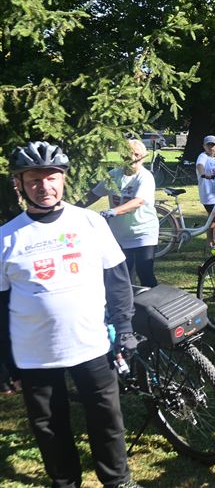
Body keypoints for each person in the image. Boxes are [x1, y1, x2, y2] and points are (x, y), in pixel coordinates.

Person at [0, 141, 141, 488]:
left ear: (63, 179)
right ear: (19, 184)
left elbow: (118, 281)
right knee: (49, 426)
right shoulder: (6, 238)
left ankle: (118, 481)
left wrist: (124, 328)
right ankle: (65, 483)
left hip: (91, 343)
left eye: (51, 178)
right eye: (34, 180)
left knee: (107, 418)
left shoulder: (90, 222)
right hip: (34, 353)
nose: (44, 186)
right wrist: (5, 362)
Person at [79, 139, 159, 287]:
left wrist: (113, 211)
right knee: (125, 276)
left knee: (145, 272)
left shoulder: (145, 177)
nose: (133, 158)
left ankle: (155, 301)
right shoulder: (114, 175)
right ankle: (132, 301)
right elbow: (94, 194)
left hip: (143, 232)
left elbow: (138, 201)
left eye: (137, 155)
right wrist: (73, 208)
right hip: (120, 234)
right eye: (128, 155)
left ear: (143, 157)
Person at [196, 135, 215, 247]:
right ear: (204, 146)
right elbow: (200, 165)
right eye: (208, 145)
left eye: (213, 145)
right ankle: (212, 242)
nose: (211, 147)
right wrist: (203, 174)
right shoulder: (203, 156)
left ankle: (214, 241)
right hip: (208, 194)